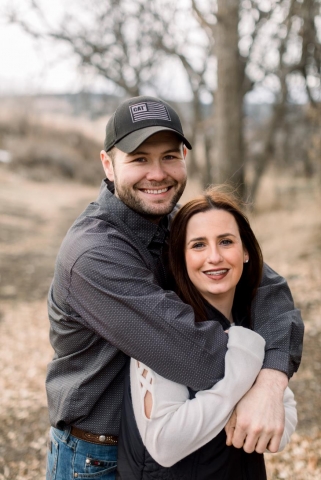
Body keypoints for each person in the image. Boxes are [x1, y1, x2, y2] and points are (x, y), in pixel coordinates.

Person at [45, 95, 304, 480]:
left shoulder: (178, 225)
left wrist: (270, 382)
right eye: (139, 159)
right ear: (108, 165)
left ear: (185, 156)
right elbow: (195, 354)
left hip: (181, 448)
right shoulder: (94, 254)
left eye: (169, 156)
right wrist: (257, 360)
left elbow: (268, 290)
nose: (157, 173)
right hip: (97, 457)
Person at [117, 188, 297, 479]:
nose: (214, 257)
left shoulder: (256, 318)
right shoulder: (164, 323)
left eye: (226, 242)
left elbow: (282, 425)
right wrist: (244, 364)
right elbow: (164, 443)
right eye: (198, 245)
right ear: (181, 257)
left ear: (246, 251)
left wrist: (260, 402)